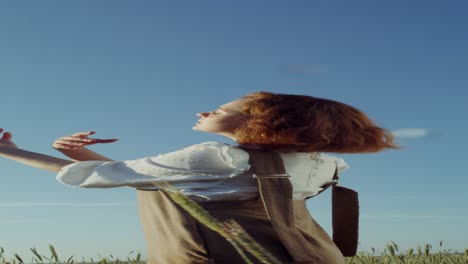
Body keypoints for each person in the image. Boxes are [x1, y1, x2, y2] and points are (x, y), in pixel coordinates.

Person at [0, 91, 398, 264]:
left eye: (222, 107)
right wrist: (75, 151)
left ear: (260, 121)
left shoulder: (215, 156)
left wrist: (10, 151)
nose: (205, 111)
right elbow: (155, 180)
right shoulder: (318, 162)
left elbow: (98, 177)